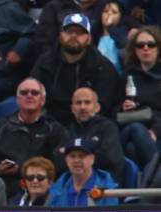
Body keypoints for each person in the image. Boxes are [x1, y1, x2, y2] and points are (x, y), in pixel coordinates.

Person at [0, 78, 69, 198]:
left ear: (43, 100)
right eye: (24, 93)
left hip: (42, 188)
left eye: (34, 93)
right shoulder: (1, 127)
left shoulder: (55, 129)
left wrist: (22, 169)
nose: (29, 96)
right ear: (17, 100)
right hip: (6, 188)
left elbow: (60, 164)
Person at [31, 13, 120, 126]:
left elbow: (103, 105)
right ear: (60, 36)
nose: (73, 36)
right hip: (50, 124)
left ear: (89, 39)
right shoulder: (45, 62)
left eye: (80, 33)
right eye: (69, 31)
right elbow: (34, 94)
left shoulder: (102, 66)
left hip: (87, 124)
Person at [116, 26, 161, 169]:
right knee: (136, 128)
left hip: (156, 131)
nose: (145, 48)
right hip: (130, 126)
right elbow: (111, 110)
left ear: (158, 48)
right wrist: (122, 107)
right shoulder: (126, 76)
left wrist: (155, 130)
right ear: (135, 50)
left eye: (151, 44)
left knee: (132, 150)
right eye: (140, 45)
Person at [67, 87, 124, 184]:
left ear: (97, 107)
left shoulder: (108, 127)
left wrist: (76, 159)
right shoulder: (69, 129)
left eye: (87, 102)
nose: (82, 107)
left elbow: (109, 158)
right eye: (78, 103)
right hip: (74, 183)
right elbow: (59, 160)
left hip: (104, 184)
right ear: (72, 108)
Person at [48, 137, 118, 206]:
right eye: (72, 156)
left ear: (92, 159)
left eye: (81, 156)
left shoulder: (107, 188)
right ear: (66, 160)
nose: (76, 160)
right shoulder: (57, 189)